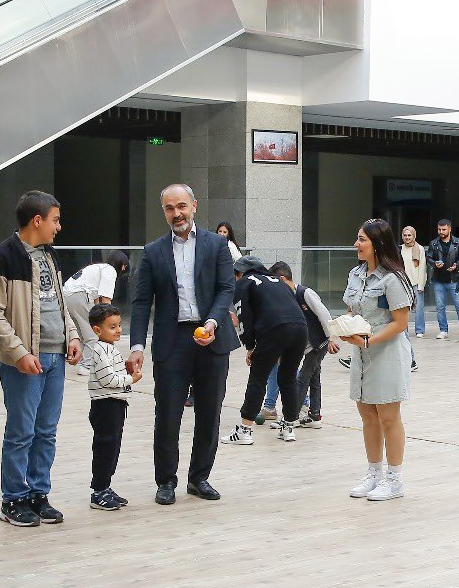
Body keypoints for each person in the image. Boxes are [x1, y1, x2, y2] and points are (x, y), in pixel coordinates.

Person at [129, 184, 239, 504]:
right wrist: (136, 346)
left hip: (211, 337)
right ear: (164, 211)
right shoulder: (153, 252)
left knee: (209, 413)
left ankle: (199, 478)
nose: (176, 213)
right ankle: (166, 481)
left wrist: (213, 321)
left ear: (194, 206)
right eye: (169, 208)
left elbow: (226, 289)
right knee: (167, 415)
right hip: (172, 341)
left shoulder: (217, 244)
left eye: (181, 206)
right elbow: (141, 302)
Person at [0, 190, 83, 527]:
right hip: (25, 362)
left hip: (56, 358)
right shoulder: (1, 258)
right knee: (21, 433)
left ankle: (39, 494)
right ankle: (13, 499)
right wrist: (19, 353)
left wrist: (73, 335)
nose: (59, 227)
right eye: (55, 220)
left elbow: (58, 302)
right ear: (37, 220)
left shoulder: (49, 255)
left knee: (46, 432)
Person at [344, 219, 415, 502]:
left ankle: (394, 479)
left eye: (362, 239)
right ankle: (373, 473)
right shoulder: (355, 274)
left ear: (378, 244)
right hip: (361, 354)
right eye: (357, 238)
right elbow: (352, 310)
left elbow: (400, 323)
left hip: (386, 353)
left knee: (388, 417)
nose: (356, 244)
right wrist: (344, 327)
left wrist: (368, 340)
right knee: (368, 416)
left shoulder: (393, 278)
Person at [225, 256, 308, 446]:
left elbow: (244, 317)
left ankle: (244, 430)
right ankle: (288, 428)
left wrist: (250, 346)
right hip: (300, 329)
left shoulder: (244, 283)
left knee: (258, 378)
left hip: (275, 330)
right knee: (288, 378)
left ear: (240, 273)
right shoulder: (278, 282)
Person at [264, 261, 339, 428]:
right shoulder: (286, 297)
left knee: (302, 379)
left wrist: (331, 338)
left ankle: (290, 419)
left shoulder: (305, 293)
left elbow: (324, 315)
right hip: (308, 345)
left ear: (282, 279)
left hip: (319, 343)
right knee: (314, 378)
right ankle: (314, 416)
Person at [84, 303, 138, 511]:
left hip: (115, 403)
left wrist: (125, 370)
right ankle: (98, 491)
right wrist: (131, 379)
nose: (118, 330)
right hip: (105, 404)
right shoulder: (100, 349)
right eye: (112, 327)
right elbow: (108, 379)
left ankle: (105, 486)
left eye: (119, 325)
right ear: (97, 330)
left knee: (113, 446)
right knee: (105, 446)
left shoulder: (109, 348)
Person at [64, 250, 130, 376]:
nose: (124, 269)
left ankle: (81, 359)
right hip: (80, 295)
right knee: (94, 332)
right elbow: (105, 300)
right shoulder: (110, 270)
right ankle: (87, 366)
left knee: (80, 333)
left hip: (67, 296)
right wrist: (109, 321)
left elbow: (96, 300)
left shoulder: (98, 267)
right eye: (125, 266)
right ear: (122, 265)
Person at [426, 218, 459, 340]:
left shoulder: (458, 242)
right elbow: (429, 258)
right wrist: (434, 263)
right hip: (438, 279)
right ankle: (443, 330)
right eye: (439, 229)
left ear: (449, 229)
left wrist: (457, 265)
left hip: (454, 279)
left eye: (443, 229)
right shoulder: (434, 243)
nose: (441, 232)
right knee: (440, 307)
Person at [400, 226, 427, 337]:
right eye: (405, 235)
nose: (407, 237)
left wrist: (421, 285)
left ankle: (419, 330)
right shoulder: (400, 249)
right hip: (403, 283)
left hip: (416, 282)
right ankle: (403, 330)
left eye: (409, 235)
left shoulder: (419, 249)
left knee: (419, 308)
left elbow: (422, 267)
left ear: (414, 236)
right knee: (403, 308)